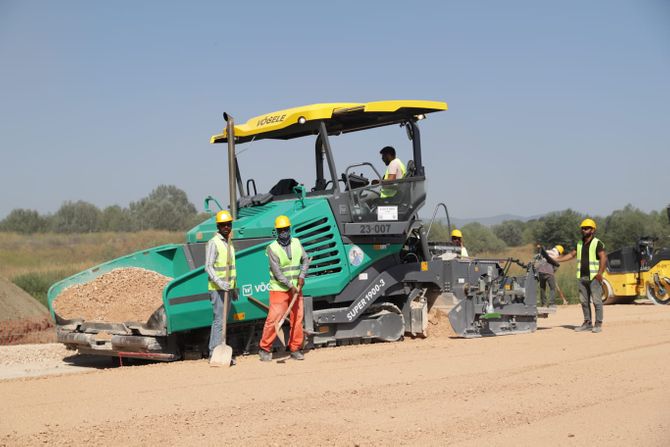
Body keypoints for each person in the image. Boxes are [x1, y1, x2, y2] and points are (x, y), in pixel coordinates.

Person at [259, 215, 310, 361]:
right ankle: (264, 348)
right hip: (279, 289)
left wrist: (302, 276)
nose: (284, 233)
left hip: (296, 288)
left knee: (298, 318)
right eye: (281, 230)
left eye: (286, 229)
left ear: (290, 229)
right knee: (274, 318)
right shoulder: (272, 248)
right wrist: (290, 286)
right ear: (277, 231)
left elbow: (305, 259)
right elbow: (277, 272)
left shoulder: (297, 243)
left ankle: (295, 348)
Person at [555, 218, 607, 333]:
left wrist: (600, 273)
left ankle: (598, 324)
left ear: (592, 230)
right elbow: (571, 255)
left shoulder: (597, 243)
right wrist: (557, 259)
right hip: (582, 277)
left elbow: (603, 257)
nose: (584, 230)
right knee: (584, 302)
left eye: (586, 228)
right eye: (582, 228)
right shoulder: (579, 243)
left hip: (594, 277)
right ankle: (587, 323)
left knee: (597, 301)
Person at [205, 210, 237, 361]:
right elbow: (208, 267)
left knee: (223, 321)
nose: (226, 227)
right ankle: (214, 352)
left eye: (228, 224)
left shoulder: (229, 243)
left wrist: (234, 287)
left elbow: (231, 268)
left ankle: (220, 350)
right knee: (219, 321)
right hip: (218, 289)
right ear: (218, 226)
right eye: (223, 225)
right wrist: (219, 282)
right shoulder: (214, 243)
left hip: (228, 288)